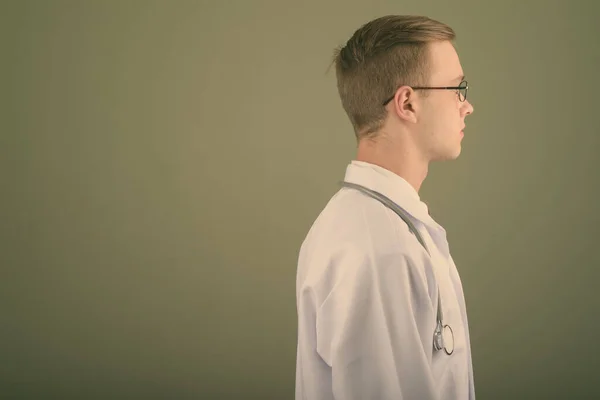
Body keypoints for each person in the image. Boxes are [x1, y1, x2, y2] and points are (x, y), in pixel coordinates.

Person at [295, 15, 476, 400]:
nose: (467, 106)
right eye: (457, 88)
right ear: (407, 103)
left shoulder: (374, 226)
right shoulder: (382, 249)